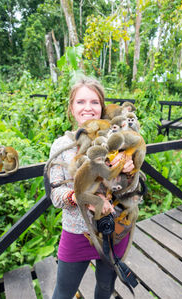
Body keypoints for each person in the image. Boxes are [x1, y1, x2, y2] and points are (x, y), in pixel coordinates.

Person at [50, 77, 134, 299]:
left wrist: (130, 172)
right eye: (81, 102)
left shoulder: (116, 140)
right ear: (71, 108)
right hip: (78, 233)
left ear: (102, 108)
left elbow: (133, 192)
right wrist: (82, 197)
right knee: (63, 293)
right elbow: (56, 196)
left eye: (94, 102)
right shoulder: (62, 145)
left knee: (105, 289)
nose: (88, 108)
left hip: (113, 230)